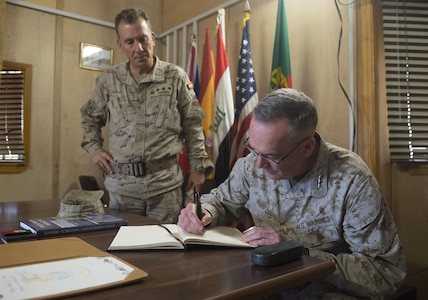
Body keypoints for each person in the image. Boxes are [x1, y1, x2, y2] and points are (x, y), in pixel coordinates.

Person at [178, 88, 406, 299]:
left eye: (271, 156)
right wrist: (203, 212)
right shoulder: (253, 164)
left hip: (324, 291)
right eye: (252, 148)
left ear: (307, 148)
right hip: (261, 283)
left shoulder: (352, 180)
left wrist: (297, 254)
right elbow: (220, 201)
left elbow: (385, 272)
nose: (257, 164)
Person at [81, 8, 210, 223]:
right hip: (122, 190)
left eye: (142, 39)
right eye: (130, 42)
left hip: (165, 188)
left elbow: (193, 125)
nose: (138, 48)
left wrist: (197, 169)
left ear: (152, 37)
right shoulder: (109, 80)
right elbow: (89, 118)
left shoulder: (175, 77)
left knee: (166, 249)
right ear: (120, 45)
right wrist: (94, 150)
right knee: (123, 247)